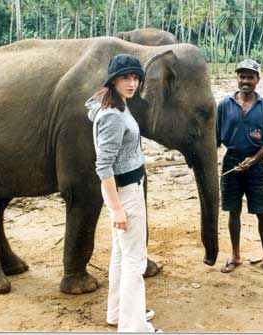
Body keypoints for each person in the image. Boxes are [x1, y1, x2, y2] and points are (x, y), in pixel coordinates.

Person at [86, 54, 162, 332]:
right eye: (125, 78)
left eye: (135, 78)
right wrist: (117, 208)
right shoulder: (112, 116)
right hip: (125, 193)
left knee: (121, 255)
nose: (132, 83)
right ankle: (134, 327)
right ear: (113, 81)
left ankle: (118, 313)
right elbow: (103, 166)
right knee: (135, 260)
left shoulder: (112, 105)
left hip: (125, 190)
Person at [216, 59, 263, 277]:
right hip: (231, 162)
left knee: (262, 212)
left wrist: (253, 160)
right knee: (233, 211)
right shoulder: (224, 105)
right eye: (242, 76)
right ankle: (236, 255)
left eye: (250, 77)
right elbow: (215, 137)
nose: (245, 81)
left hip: (256, 165)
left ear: (257, 80)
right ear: (237, 78)